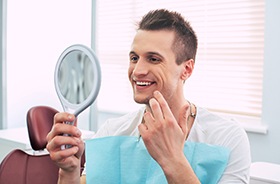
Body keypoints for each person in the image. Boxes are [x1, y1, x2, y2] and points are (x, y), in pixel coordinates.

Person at [46, 9, 251, 184]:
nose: (137, 71)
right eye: (134, 58)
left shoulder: (227, 139)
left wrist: (173, 160)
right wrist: (68, 172)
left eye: (153, 59)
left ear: (186, 69)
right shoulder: (111, 133)